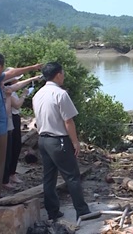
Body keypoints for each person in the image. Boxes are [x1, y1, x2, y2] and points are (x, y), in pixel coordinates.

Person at [0, 53, 42, 203]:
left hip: (1, 129)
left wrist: (33, 68)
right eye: (3, 66)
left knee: (0, 164)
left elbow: (13, 73)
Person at [33, 62, 90, 221]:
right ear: (58, 74)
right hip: (59, 140)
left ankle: (52, 211)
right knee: (72, 176)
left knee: (49, 178)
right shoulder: (60, 94)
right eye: (62, 73)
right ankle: (82, 210)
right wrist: (75, 142)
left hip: (43, 140)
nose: (63, 76)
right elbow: (68, 121)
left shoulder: (38, 94)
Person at [1, 73, 42, 189]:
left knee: (16, 147)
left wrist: (33, 78)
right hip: (11, 119)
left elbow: (20, 85)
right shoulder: (7, 91)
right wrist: (24, 94)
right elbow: (17, 105)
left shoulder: (11, 90)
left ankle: (12, 173)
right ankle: (6, 177)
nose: (18, 82)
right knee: (11, 148)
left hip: (15, 118)